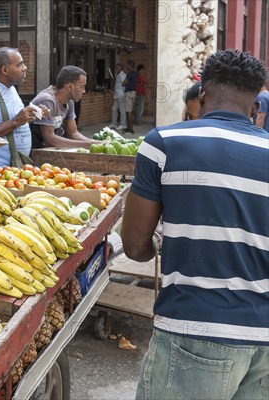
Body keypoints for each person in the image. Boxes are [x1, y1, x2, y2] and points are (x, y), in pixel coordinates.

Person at [121, 49, 268, 399]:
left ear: (201, 95)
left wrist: (162, 242)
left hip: (192, 331)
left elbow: (135, 246)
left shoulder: (165, 143)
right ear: (254, 109)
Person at [0, 47, 49, 167]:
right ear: (5, 70)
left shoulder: (11, 90)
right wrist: (16, 121)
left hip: (17, 167)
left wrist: (33, 114)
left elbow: (15, 123)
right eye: (20, 64)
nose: (25, 68)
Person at [29, 65, 98, 149]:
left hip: (48, 149)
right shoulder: (47, 100)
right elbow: (50, 139)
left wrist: (95, 143)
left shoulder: (69, 101)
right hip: (34, 150)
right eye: (81, 86)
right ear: (69, 86)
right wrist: (88, 145)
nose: (84, 91)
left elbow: (73, 133)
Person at [110, 63, 126, 130]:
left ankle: (123, 124)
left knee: (122, 110)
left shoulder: (122, 75)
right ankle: (114, 124)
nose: (116, 69)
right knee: (114, 109)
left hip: (121, 94)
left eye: (117, 68)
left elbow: (124, 84)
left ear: (120, 68)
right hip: (117, 95)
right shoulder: (119, 75)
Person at [123, 60, 137, 133]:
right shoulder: (135, 73)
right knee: (131, 111)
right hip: (134, 92)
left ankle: (130, 129)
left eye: (127, 65)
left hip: (128, 92)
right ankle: (128, 127)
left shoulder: (129, 73)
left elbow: (124, 82)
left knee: (128, 111)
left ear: (129, 65)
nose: (126, 66)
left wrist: (125, 83)